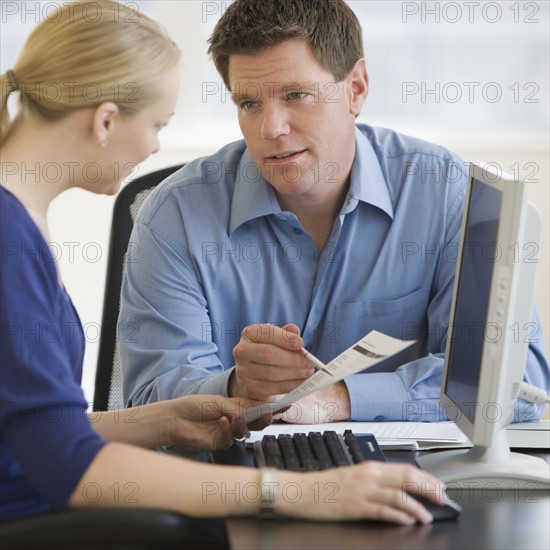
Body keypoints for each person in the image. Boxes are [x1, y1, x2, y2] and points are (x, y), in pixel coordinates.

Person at [0, 0, 449, 530]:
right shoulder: (11, 232)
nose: (156, 146)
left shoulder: (19, 221)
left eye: (296, 96)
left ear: (355, 88)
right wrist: (297, 491)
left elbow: (39, 431)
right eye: (158, 124)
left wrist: (169, 418)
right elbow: (66, 465)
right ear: (105, 121)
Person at [118, 0, 549, 423]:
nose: (271, 128)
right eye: (249, 103)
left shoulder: (448, 194)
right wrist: (236, 387)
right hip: (238, 484)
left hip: (406, 480)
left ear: (356, 89)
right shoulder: (174, 215)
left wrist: (340, 399)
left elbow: (518, 384)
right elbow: (150, 397)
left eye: (296, 95)